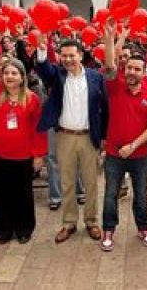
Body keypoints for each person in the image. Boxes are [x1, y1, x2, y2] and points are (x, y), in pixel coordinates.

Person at [36, 35, 109, 244]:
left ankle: (92, 221)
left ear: (81, 56)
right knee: (67, 182)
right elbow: (44, 70)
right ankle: (68, 223)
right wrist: (42, 52)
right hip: (65, 136)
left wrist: (104, 137)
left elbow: (105, 109)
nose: (67, 59)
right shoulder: (58, 76)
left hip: (88, 137)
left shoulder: (96, 77)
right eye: (63, 56)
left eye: (72, 55)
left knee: (91, 182)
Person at [100, 22, 147, 251]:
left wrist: (133, 145)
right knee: (110, 194)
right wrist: (112, 39)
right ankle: (108, 231)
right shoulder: (116, 87)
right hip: (114, 154)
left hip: (141, 155)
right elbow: (109, 64)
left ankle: (143, 228)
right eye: (129, 68)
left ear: (144, 71)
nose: (132, 72)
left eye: (137, 69)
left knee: (141, 195)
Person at [0, 50, 46, 244]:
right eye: (6, 73)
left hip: (23, 156)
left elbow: (38, 130)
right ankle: (4, 229)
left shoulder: (32, 99)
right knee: (1, 192)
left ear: (22, 77)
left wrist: (38, 155)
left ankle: (24, 228)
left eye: (14, 73)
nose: (9, 76)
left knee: (22, 194)